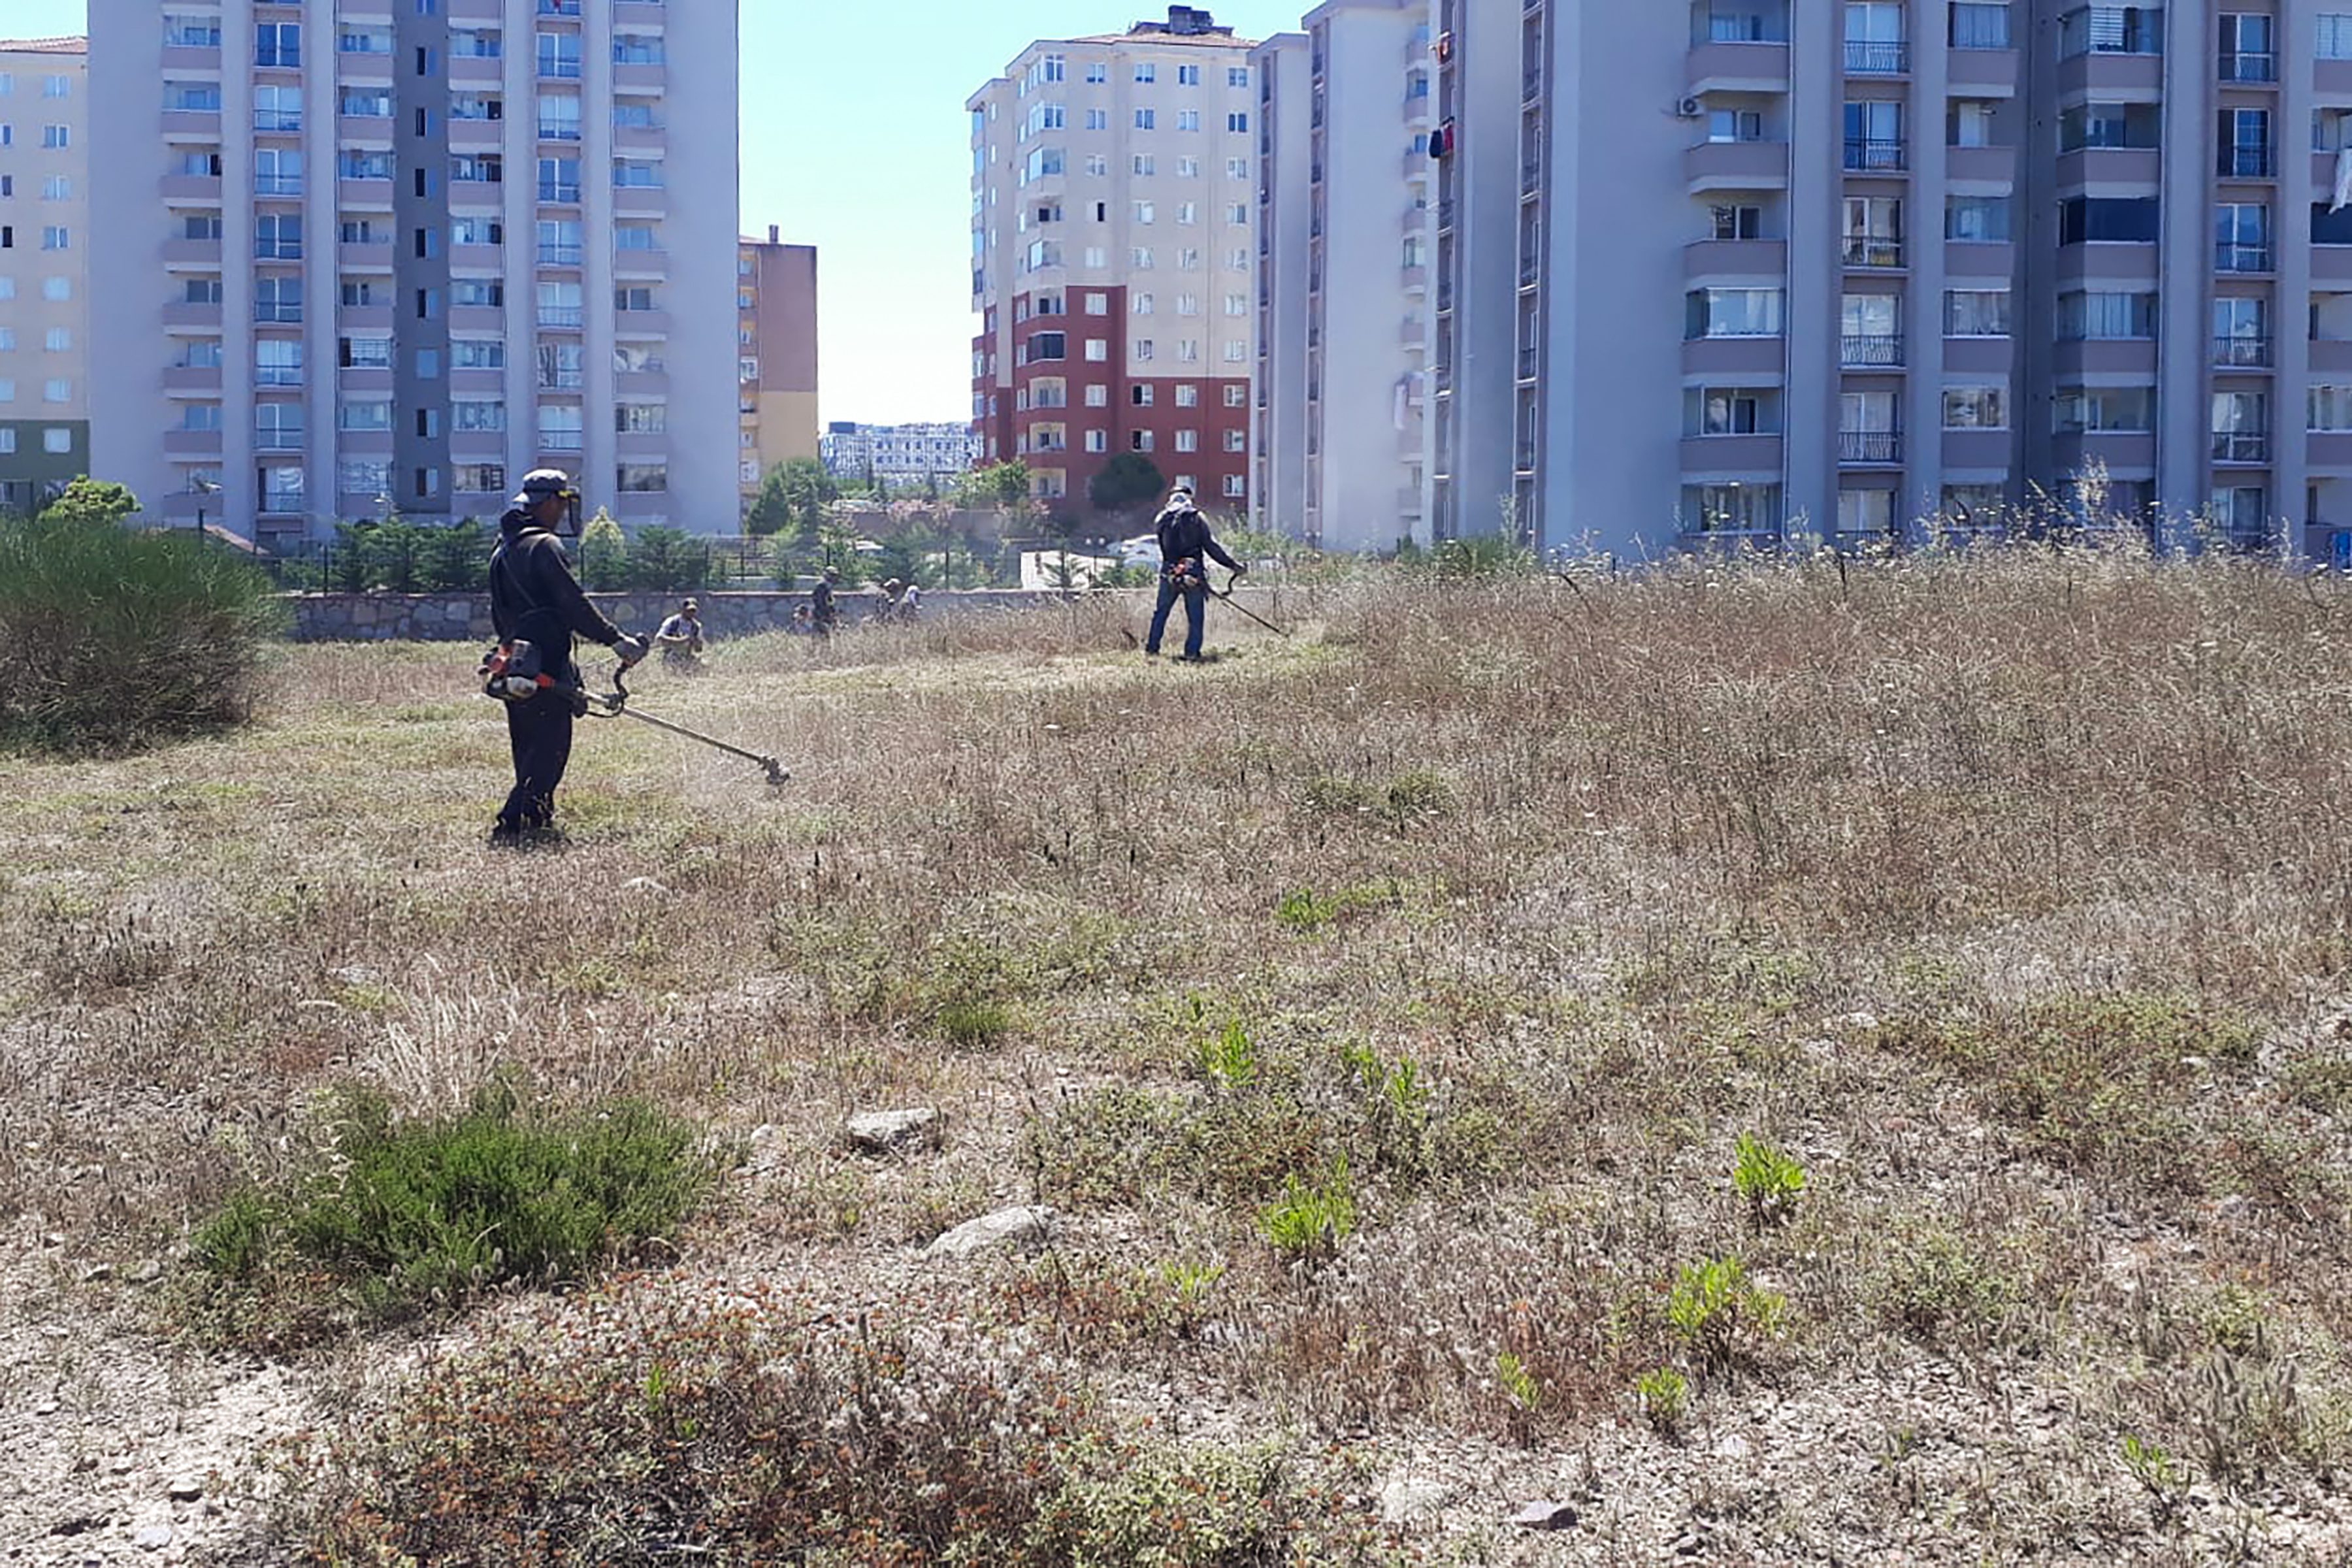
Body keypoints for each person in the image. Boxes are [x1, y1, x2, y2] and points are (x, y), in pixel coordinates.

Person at [486, 470, 647, 845]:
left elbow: (500, 612)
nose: (562, 512)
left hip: (515, 660)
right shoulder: (543, 546)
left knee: (528, 744)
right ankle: (514, 821)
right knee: (550, 747)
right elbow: (570, 602)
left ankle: (537, 817)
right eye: (560, 503)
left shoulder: (503, 549)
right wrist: (616, 640)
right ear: (549, 502)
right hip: (544, 662)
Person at [1144, 487, 1243, 663]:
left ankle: (1152, 650)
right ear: (1189, 500)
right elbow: (1211, 547)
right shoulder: (1196, 518)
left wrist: (1172, 568)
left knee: (1161, 612)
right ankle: (1191, 653)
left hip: (1170, 571)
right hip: (1192, 571)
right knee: (1195, 616)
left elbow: (1163, 548)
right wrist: (1232, 565)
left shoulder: (1161, 519)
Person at [655, 596, 706, 669]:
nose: (691, 613)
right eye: (689, 611)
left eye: (693, 611)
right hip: (670, 655)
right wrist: (679, 641)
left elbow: (699, 650)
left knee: (704, 666)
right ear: (683, 610)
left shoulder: (696, 626)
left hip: (687, 656)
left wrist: (697, 643)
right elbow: (659, 638)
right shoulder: (672, 622)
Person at [811, 566, 838, 637]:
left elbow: (830, 601)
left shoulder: (828, 586)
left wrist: (833, 611)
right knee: (821, 635)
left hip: (826, 614)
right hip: (821, 614)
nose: (833, 577)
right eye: (832, 575)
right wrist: (824, 612)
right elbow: (820, 601)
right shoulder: (822, 586)